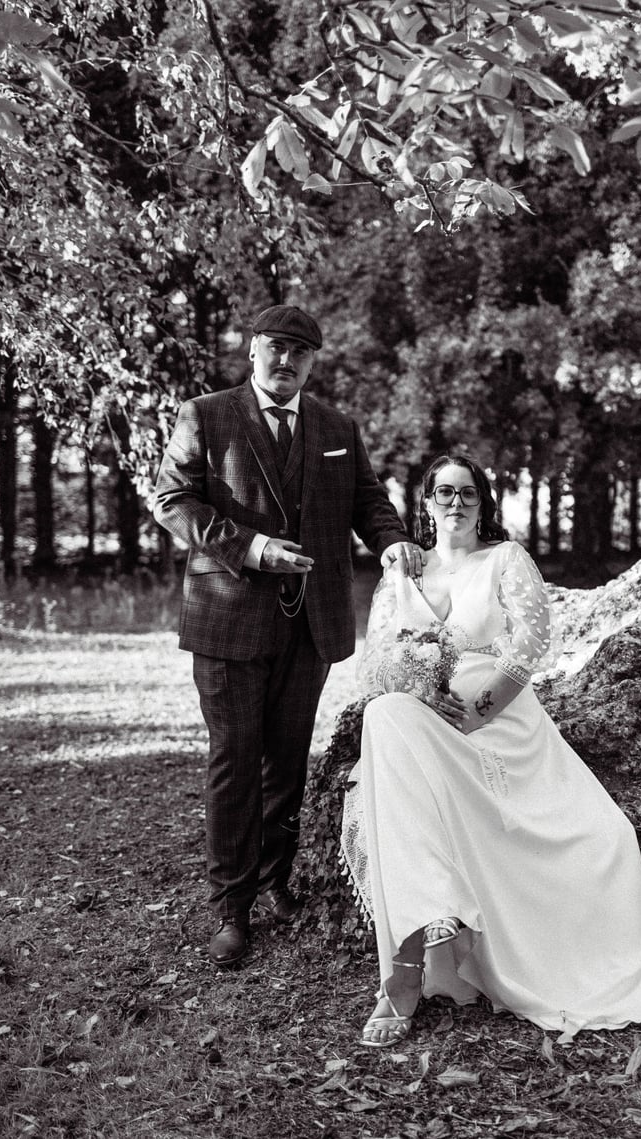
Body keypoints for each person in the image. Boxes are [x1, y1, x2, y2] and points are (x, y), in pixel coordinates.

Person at [341, 453, 641, 1047]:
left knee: (606, 837)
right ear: (428, 503)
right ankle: (406, 967)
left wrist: (476, 711)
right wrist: (417, 689)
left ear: (484, 503)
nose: (457, 504)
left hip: (500, 728)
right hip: (423, 725)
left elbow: (530, 645)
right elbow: (375, 666)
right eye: (445, 493)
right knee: (385, 717)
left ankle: (418, 965)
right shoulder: (401, 574)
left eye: (469, 493)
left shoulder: (505, 559)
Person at [153, 304, 421, 967]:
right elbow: (172, 502)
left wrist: (391, 543)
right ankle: (231, 907)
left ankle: (277, 882)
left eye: (301, 351)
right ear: (252, 350)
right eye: (276, 347)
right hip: (227, 618)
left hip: (310, 625)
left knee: (286, 761)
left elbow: (368, 502)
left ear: (313, 361)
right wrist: (251, 548)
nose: (287, 360)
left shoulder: (336, 426)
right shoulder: (206, 414)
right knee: (235, 759)